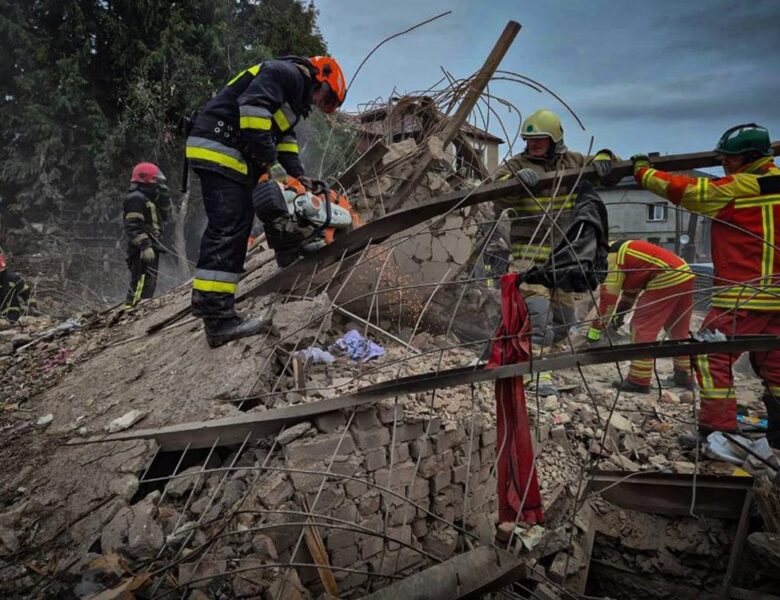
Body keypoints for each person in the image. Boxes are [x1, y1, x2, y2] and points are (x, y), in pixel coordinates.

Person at [632, 123, 780, 447]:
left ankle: (719, 432)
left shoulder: (739, 188)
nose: (724, 165)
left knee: (711, 354)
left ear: (751, 157)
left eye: (730, 159)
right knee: (775, 365)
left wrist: (642, 171)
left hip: (744, 295)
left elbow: (685, 191)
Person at [185, 55, 347, 348]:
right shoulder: (284, 73)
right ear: (320, 78)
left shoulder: (294, 100)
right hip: (220, 146)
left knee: (268, 203)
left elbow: (283, 140)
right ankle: (219, 320)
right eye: (326, 99)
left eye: (328, 106)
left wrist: (298, 177)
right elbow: (252, 113)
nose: (320, 105)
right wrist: (272, 164)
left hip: (233, 152)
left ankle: (287, 252)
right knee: (231, 227)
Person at [492, 109, 618, 395]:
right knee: (538, 319)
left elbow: (611, 170)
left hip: (563, 258)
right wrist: (514, 182)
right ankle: (534, 375)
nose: (532, 144)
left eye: (539, 140)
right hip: (528, 258)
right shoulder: (516, 165)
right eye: (529, 139)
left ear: (555, 139)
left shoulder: (573, 162)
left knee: (564, 322)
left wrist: (605, 158)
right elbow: (495, 188)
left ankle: (544, 367)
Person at [586, 240, 694, 393]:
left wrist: (595, 331)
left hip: (666, 274)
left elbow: (608, 299)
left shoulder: (612, 257)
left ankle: (638, 380)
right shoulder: (628, 255)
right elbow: (630, 292)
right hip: (684, 273)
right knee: (678, 329)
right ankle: (685, 375)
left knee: (641, 328)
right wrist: (620, 315)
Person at [123, 163, 171, 309]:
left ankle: (141, 308)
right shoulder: (135, 198)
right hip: (141, 250)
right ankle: (131, 311)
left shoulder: (149, 199)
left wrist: (164, 198)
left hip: (151, 247)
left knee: (149, 282)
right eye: (155, 180)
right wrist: (145, 245)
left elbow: (165, 217)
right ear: (145, 179)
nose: (157, 184)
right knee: (140, 281)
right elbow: (133, 225)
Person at [0, 249, 38, 322]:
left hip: (11, 311)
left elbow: (27, 292)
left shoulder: (12, 278)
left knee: (10, 322)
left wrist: (32, 306)